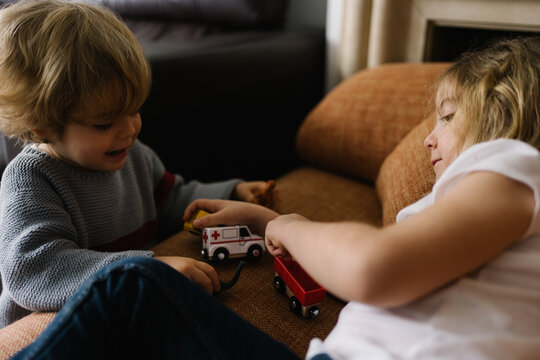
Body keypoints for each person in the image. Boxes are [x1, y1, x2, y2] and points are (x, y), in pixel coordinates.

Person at [12, 36, 540, 358]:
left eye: (445, 118)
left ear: (504, 114)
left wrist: (285, 227)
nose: (429, 135)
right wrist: (270, 218)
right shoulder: (488, 212)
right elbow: (373, 274)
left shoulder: (514, 165)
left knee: (133, 285)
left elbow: (374, 269)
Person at [0, 0, 270, 329]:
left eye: (134, 110)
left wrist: (233, 192)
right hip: (53, 337)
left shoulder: (132, 154)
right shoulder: (32, 179)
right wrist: (149, 268)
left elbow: (172, 198)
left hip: (127, 305)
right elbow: (36, 270)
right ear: (41, 125)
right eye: (104, 123)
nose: (129, 130)